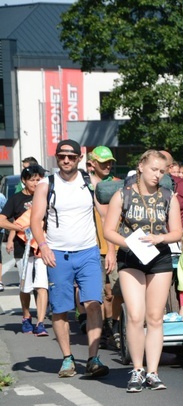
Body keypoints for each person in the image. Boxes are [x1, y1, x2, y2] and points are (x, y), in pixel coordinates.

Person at [103, 150, 183, 392]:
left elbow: (178, 232)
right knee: (136, 316)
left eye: (162, 171)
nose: (157, 175)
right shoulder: (122, 195)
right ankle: (137, 369)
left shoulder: (169, 196)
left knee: (155, 317)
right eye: (153, 170)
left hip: (159, 257)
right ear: (140, 167)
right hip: (131, 257)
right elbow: (109, 230)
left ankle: (153, 372)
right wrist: (130, 244)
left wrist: (160, 238)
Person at [29, 140, 109, 378]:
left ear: (79, 158)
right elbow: (35, 220)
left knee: (94, 303)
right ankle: (67, 359)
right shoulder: (46, 185)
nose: (66, 160)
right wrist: (43, 246)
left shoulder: (91, 183)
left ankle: (93, 358)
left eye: (71, 157)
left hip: (88, 253)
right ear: (56, 158)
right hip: (58, 255)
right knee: (61, 309)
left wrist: (112, 250)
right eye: (62, 156)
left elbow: (106, 216)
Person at [0, 165, 49, 335]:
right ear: (24, 181)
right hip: (23, 248)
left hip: (43, 247)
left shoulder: (46, 196)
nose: (36, 183)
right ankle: (26, 315)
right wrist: (18, 228)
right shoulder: (16, 199)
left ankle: (41, 322)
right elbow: (1, 220)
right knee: (25, 286)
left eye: (38, 179)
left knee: (42, 285)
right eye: (32, 179)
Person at [88, 145, 121, 348]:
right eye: (103, 163)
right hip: (93, 247)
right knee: (99, 295)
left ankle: (115, 327)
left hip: (116, 246)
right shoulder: (86, 186)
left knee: (116, 292)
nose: (107, 166)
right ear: (92, 164)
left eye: (109, 162)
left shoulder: (118, 185)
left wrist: (112, 248)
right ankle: (101, 332)